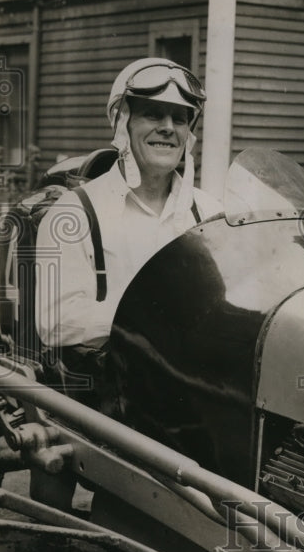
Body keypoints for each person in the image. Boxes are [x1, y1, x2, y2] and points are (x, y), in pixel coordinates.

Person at [35, 58, 221, 356]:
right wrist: (154, 317)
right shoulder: (75, 212)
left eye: (180, 119)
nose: (168, 128)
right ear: (123, 124)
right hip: (110, 392)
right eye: (153, 114)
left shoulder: (210, 211)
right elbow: (56, 322)